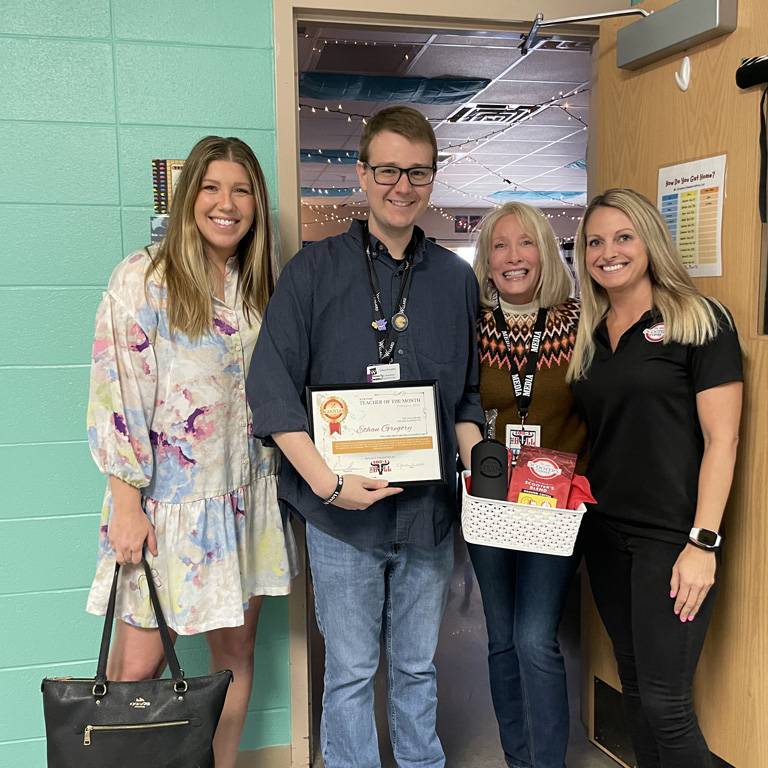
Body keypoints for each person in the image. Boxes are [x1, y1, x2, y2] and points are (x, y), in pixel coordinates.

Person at [247, 105, 484, 768]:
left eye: (417, 172)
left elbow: (466, 400)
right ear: (362, 173)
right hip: (340, 517)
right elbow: (270, 392)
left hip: (427, 517)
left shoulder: (456, 281)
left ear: (432, 179)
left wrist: (488, 478)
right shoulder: (313, 271)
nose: (401, 185)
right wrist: (328, 483)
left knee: (416, 671)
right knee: (349, 674)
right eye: (387, 169)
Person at [85, 136, 297, 768]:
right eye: (211, 188)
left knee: (233, 660)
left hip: (247, 497)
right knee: (137, 669)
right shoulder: (142, 278)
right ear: (187, 198)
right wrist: (127, 506)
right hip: (163, 507)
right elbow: (115, 397)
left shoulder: (257, 286)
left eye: (241, 190)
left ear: (256, 204)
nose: (226, 204)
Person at [568, 188, 742, 768]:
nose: (608, 252)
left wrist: (704, 542)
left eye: (623, 237)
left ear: (650, 241)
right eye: (595, 241)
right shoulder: (590, 334)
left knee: (668, 704)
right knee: (637, 689)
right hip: (606, 534)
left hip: (673, 538)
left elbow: (723, 440)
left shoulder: (699, 320)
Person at [469, 202, 586, 768]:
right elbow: (458, 405)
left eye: (526, 243)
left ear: (545, 251)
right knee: (500, 639)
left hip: (554, 505)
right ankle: (517, 758)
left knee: (535, 637)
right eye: (500, 245)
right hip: (490, 503)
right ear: (486, 259)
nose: (514, 257)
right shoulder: (470, 327)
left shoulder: (580, 324)